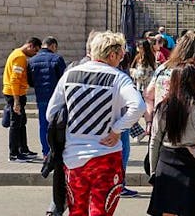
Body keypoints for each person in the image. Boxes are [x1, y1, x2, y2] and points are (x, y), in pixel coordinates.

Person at [46, 32, 145, 216]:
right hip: (105, 156)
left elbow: (51, 113)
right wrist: (116, 129)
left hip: (73, 156)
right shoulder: (118, 77)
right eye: (121, 53)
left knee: (77, 211)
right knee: (101, 211)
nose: (123, 57)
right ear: (112, 54)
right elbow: (138, 106)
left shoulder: (70, 74)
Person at [147, 65, 195, 216]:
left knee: (167, 210)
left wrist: (153, 170)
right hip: (192, 162)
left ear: (173, 82)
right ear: (194, 82)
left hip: (167, 160)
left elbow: (154, 140)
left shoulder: (163, 106)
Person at [3, 37, 42, 162]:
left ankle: (23, 149)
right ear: (30, 46)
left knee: (21, 123)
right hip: (15, 94)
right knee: (16, 124)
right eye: (35, 51)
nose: (35, 54)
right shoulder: (20, 58)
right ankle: (14, 154)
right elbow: (15, 80)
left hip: (17, 94)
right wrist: (16, 101)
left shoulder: (16, 54)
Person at [28, 37, 67, 157]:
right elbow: (63, 79)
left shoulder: (32, 61)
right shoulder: (57, 59)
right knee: (59, 124)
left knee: (43, 124)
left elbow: (30, 81)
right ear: (53, 46)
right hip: (57, 98)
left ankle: (46, 152)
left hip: (41, 97)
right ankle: (58, 150)